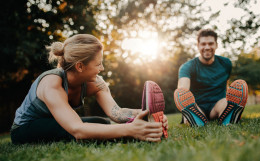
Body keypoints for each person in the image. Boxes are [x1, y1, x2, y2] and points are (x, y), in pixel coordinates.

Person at [10, 34, 168, 144]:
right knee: (78, 133)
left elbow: (117, 113)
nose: (102, 68)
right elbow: (78, 129)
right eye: (98, 63)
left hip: (55, 122)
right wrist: (130, 130)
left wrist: (146, 115)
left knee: (102, 123)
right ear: (80, 66)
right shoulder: (52, 84)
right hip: (26, 127)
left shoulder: (95, 83)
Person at [174, 29, 248, 126]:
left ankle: (230, 114)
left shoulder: (226, 63)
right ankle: (192, 116)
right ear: (198, 46)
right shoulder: (187, 67)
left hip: (217, 105)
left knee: (226, 103)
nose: (207, 47)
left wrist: (230, 99)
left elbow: (226, 84)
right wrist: (183, 99)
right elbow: (182, 91)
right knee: (190, 108)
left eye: (210, 43)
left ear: (216, 45)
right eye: (203, 44)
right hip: (197, 106)